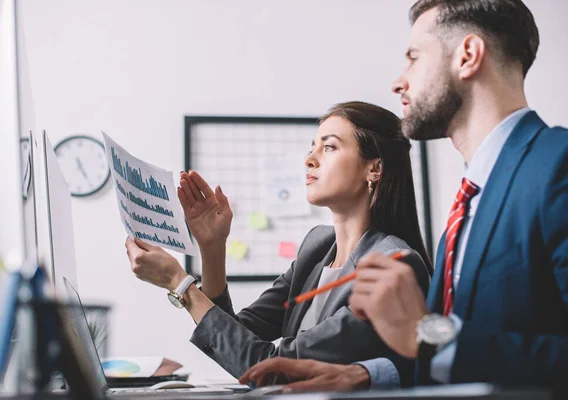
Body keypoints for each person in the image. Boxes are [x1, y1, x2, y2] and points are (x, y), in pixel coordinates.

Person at [240, 0, 568, 392]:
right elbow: (463, 356)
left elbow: (443, 341)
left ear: (467, 56)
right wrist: (368, 374)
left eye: (413, 58)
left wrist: (431, 335)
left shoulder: (557, 167)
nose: (399, 82)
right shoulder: (464, 210)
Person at [125, 101, 432, 382]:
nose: (310, 160)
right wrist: (212, 248)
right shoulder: (317, 247)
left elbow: (274, 367)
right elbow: (238, 336)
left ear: (374, 168)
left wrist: (180, 284)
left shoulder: (394, 263)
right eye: (312, 148)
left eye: (330, 148)